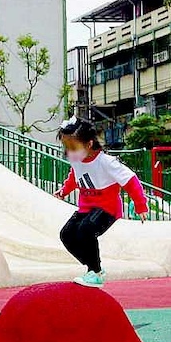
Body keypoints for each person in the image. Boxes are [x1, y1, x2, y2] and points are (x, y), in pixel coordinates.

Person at [53, 117, 148, 288]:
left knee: (86, 230)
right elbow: (74, 178)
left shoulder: (107, 162)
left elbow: (131, 180)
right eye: (67, 148)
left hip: (107, 208)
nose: (69, 152)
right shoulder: (76, 160)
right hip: (86, 208)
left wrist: (140, 205)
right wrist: (64, 191)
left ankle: (95, 272)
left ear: (89, 145)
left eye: (73, 148)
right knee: (66, 234)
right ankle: (94, 268)